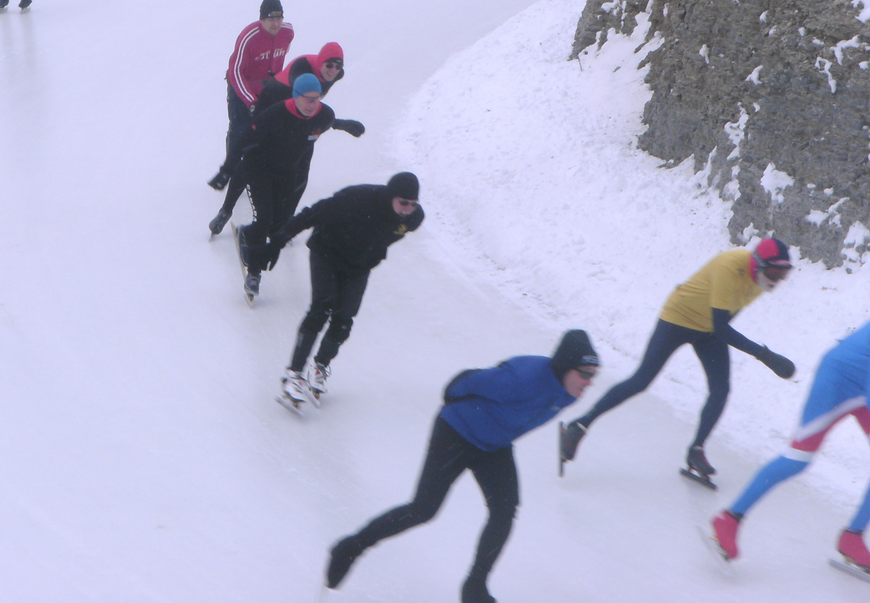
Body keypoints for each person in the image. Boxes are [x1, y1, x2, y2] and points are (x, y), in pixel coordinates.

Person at [326, 330, 600, 603]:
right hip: (456, 432)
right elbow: (467, 381)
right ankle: (351, 547)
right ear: (565, 366)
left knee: (505, 510)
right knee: (423, 509)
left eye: (593, 375)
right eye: (584, 373)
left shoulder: (569, 392)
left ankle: (474, 587)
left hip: (494, 446)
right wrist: (451, 399)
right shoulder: (520, 379)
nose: (589, 382)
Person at [559, 238, 796, 479]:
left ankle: (696, 449)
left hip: (710, 330)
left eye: (783, 274)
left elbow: (728, 315)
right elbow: (723, 328)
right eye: (774, 272)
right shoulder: (730, 267)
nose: (776, 280)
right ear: (757, 264)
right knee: (641, 380)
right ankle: (580, 425)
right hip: (678, 319)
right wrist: (765, 355)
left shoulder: (760, 279)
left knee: (720, 390)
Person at [710, 320, 870, 571]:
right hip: (838, 380)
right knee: (797, 459)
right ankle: (729, 519)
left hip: (864, 383)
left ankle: (852, 537)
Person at [268, 172, 423, 405]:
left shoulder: (412, 219)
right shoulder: (357, 199)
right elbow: (314, 213)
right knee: (321, 308)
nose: (407, 209)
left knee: (344, 320)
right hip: (327, 252)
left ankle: (320, 366)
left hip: (359, 265)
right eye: (403, 202)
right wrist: (279, 239)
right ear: (391, 196)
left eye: (413, 204)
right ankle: (294, 374)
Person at [209, 42, 362, 236]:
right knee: (253, 159)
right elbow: (298, 105)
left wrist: (334, 123)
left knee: (301, 169)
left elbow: (310, 108)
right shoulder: (302, 69)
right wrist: (337, 123)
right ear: (320, 62)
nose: (333, 71)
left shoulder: (334, 75)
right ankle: (226, 210)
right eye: (329, 65)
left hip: (299, 114)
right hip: (271, 107)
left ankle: (284, 222)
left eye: (338, 66)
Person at [233, 73, 336, 299]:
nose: (313, 104)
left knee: (279, 223)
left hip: (287, 173)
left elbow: (314, 129)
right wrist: (227, 170)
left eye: (316, 99)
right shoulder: (275, 114)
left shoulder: (325, 116)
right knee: (265, 217)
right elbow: (244, 139)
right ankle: (254, 273)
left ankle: (247, 233)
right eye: (308, 99)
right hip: (259, 169)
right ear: (295, 96)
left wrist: (342, 124)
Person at [208, 0, 294, 191]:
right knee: (240, 129)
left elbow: (281, 58)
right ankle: (231, 171)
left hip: (268, 88)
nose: (276, 23)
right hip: (241, 86)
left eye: (279, 18)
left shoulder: (288, 32)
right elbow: (235, 72)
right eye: (271, 19)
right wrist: (250, 101)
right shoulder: (249, 37)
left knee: (269, 131)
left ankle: (260, 171)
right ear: (261, 19)